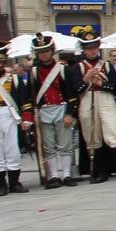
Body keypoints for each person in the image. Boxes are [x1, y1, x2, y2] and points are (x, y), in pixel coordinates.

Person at [72, 26, 116, 182]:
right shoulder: (78, 68)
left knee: (114, 131)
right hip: (87, 99)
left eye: (94, 47)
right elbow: (75, 89)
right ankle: (100, 172)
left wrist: (102, 84)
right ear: (84, 50)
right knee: (93, 134)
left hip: (106, 99)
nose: (92, 51)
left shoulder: (106, 66)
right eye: (88, 48)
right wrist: (86, 78)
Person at [27, 32, 78, 188]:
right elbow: (31, 97)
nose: (44, 54)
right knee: (48, 146)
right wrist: (33, 115)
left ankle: (67, 175)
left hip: (61, 109)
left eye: (46, 51)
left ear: (52, 51)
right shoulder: (33, 72)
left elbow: (71, 94)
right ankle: (54, 176)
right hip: (44, 112)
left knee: (65, 144)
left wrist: (69, 113)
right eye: (41, 52)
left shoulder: (62, 69)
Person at [0, 41, 31, 195]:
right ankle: (0, 185)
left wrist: (26, 119)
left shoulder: (14, 79)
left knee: (12, 150)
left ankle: (15, 183)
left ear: (4, 62)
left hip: (10, 115)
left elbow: (24, 100)